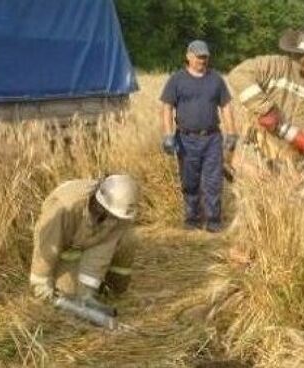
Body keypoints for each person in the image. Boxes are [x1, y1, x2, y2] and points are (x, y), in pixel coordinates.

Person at [226, 29, 304, 175]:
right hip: (257, 152)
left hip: (294, 160)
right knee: (260, 185)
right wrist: (265, 109)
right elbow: (238, 74)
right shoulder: (277, 66)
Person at [29, 174, 139, 317]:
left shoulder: (117, 213)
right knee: (67, 292)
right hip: (59, 245)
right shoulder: (64, 208)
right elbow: (46, 249)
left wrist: (87, 294)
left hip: (83, 243)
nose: (115, 221)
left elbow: (101, 251)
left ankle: (110, 288)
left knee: (128, 238)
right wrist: (41, 287)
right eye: (112, 216)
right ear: (100, 206)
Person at [160, 40, 237, 233]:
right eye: (199, 56)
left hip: (212, 138)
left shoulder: (216, 80)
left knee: (213, 182)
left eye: (205, 57)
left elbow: (226, 106)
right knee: (190, 181)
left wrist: (232, 132)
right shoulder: (177, 80)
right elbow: (167, 107)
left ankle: (213, 221)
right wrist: (168, 135)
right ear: (188, 56)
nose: (202, 60)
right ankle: (192, 219)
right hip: (186, 139)